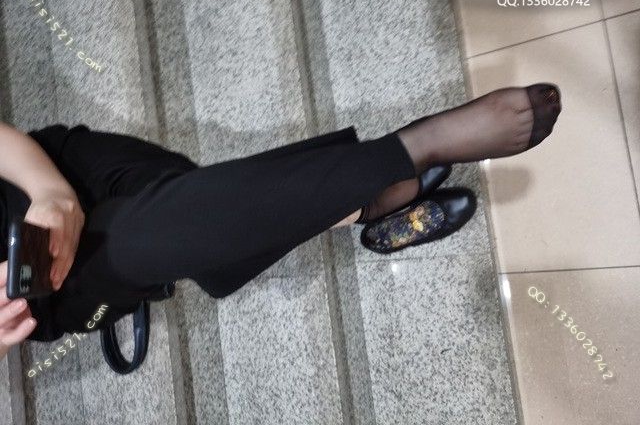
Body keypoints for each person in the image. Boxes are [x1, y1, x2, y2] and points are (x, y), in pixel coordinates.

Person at [0, 83, 561, 357]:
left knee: (187, 218)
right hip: (44, 295)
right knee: (138, 239)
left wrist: (51, 192)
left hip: (47, 170)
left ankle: (367, 205)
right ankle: (415, 149)